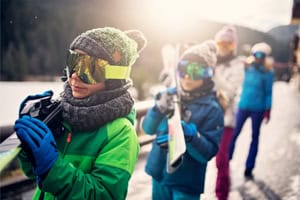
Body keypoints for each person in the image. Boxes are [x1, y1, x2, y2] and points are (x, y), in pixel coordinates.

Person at [14, 27, 147, 199]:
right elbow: (33, 173)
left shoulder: (121, 133)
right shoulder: (62, 114)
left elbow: (104, 195)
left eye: (89, 68)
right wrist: (29, 146)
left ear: (114, 78)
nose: (75, 76)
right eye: (73, 63)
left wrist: (53, 168)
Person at [142, 40, 224, 200]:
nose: (187, 76)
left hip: (186, 183)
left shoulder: (212, 110)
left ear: (208, 75)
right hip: (159, 174)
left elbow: (207, 153)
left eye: (195, 71)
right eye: (183, 68)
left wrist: (190, 136)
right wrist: (157, 109)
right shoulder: (168, 95)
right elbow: (147, 129)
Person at [229, 42, 274, 180]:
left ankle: (249, 167)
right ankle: (226, 159)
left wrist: (268, 109)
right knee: (233, 133)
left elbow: (268, 93)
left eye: (261, 55)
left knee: (255, 137)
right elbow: (234, 69)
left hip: (258, 108)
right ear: (253, 55)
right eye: (256, 54)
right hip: (243, 105)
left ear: (265, 57)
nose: (258, 57)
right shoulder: (246, 67)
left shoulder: (268, 72)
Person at [213, 25, 245, 200]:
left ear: (234, 45)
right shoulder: (211, 61)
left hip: (227, 119)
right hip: (206, 116)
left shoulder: (237, 65)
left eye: (228, 44)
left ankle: (222, 195)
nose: (224, 46)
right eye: (220, 42)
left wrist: (214, 75)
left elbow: (231, 91)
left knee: (221, 159)